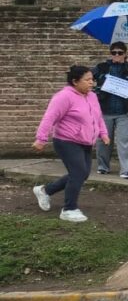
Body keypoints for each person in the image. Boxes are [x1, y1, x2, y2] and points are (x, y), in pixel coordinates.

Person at [32, 65, 110, 223]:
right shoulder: (63, 97)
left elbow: (98, 117)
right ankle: (69, 209)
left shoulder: (92, 96)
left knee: (83, 174)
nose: (91, 83)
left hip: (86, 142)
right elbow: (49, 118)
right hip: (66, 141)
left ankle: (45, 191)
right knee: (78, 173)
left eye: (92, 80)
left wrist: (103, 133)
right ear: (75, 81)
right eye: (87, 80)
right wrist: (41, 139)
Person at [93, 41, 128, 179]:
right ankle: (103, 166)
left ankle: (127, 170)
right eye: (114, 52)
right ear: (110, 53)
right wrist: (97, 86)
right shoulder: (102, 67)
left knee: (126, 141)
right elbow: (87, 79)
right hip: (105, 110)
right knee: (103, 140)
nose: (116, 55)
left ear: (125, 54)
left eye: (120, 53)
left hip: (125, 111)